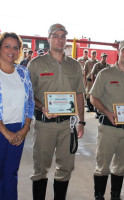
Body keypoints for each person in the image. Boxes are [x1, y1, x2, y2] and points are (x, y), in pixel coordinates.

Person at [28, 23, 85, 200]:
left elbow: (79, 94)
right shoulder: (36, 64)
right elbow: (28, 95)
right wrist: (41, 106)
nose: (60, 39)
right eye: (56, 35)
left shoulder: (74, 65)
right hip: (44, 125)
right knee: (40, 168)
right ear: (49, 38)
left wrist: (81, 121)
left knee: (65, 167)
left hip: (67, 126)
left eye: (63, 36)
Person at [90, 39, 124, 200]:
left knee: (122, 165)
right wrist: (107, 112)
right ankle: (99, 195)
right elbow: (93, 97)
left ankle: (116, 195)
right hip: (108, 128)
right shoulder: (105, 73)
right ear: (119, 52)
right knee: (103, 164)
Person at [0, 32, 35, 200]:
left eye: (16, 47)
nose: (11, 50)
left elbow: (30, 102)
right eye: (7, 46)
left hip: (18, 130)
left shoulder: (23, 72)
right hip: (2, 130)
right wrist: (6, 133)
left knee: (11, 174)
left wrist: (25, 129)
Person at [91, 52, 111, 119]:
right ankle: (96, 112)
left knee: (103, 99)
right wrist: (94, 84)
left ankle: (103, 112)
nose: (105, 58)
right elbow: (92, 74)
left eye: (106, 57)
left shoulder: (108, 66)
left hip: (106, 86)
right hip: (98, 85)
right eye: (103, 57)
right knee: (96, 98)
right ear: (101, 57)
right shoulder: (97, 65)